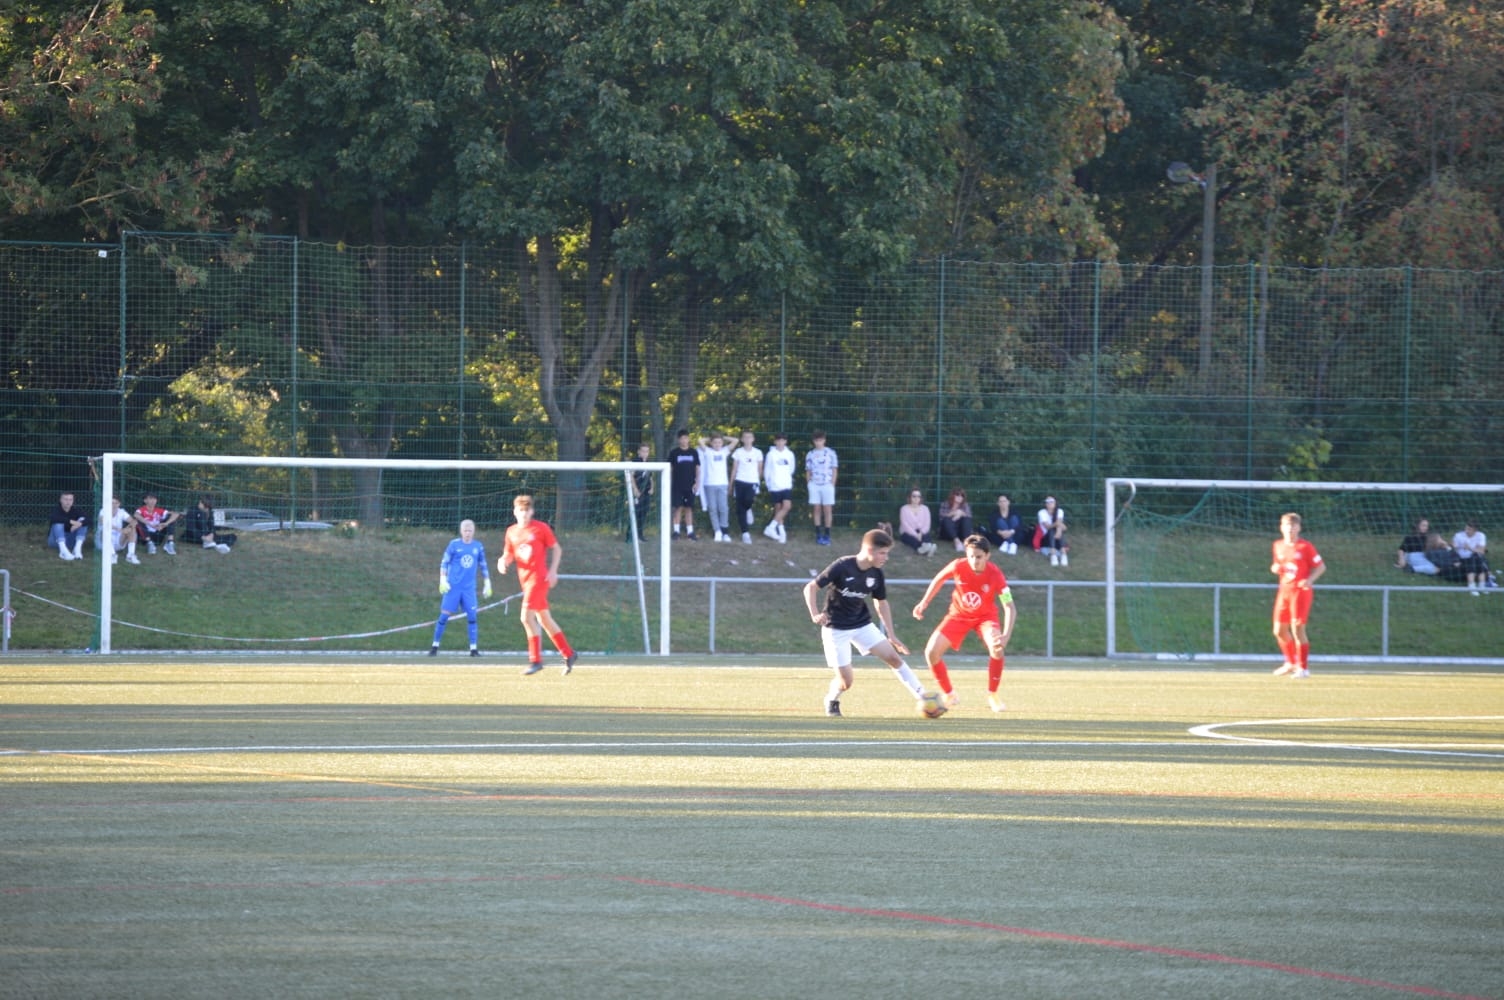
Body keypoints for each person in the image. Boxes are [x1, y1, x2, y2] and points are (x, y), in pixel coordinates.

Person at [802, 528, 938, 717]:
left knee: (894, 658)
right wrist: (815, 613)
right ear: (869, 550)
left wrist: (891, 635)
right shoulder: (842, 566)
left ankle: (923, 698)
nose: (886, 558)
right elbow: (810, 587)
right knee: (846, 682)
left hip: (862, 625)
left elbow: (881, 603)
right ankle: (832, 698)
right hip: (836, 629)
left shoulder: (876, 573)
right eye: (882, 553)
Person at [912, 534, 1017, 713]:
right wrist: (924, 602)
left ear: (987, 555)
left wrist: (1006, 635)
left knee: (997, 648)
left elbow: (1010, 607)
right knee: (931, 652)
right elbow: (938, 579)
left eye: (979, 557)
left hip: (985, 618)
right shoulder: (958, 566)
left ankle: (993, 695)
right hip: (958, 616)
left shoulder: (996, 574)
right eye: (971, 556)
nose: (974, 561)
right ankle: (950, 694)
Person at [499, 494, 578, 676]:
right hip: (525, 581)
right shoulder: (511, 531)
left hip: (539, 579)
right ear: (515, 512)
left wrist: (553, 571)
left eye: (527, 511)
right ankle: (569, 653)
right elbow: (508, 553)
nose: (524, 514)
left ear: (532, 512)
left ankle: (535, 660)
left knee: (526, 618)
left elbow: (556, 549)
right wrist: (503, 561)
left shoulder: (540, 528)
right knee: (544, 620)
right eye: (521, 510)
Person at [1271, 511, 1325, 678]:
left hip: (1300, 592)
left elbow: (1321, 567)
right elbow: (1277, 565)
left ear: (1299, 528)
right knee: (1279, 630)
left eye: (1293, 526)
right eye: (1287, 525)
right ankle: (1290, 663)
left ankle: (1303, 668)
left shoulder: (1305, 547)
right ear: (1281, 527)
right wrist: (1274, 568)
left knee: (1297, 629)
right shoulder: (1277, 545)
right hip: (1284, 592)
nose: (1290, 529)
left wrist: (1309, 580)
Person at [429, 518, 492, 656]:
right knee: (444, 616)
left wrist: (487, 583)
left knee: (472, 617)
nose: (468, 533)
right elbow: (444, 562)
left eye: (470, 530)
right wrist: (443, 579)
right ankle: (434, 647)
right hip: (453, 587)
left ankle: (473, 649)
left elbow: (483, 564)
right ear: (461, 531)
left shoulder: (478, 546)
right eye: (465, 530)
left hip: (469, 588)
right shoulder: (454, 545)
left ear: (473, 531)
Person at [804, 429, 838, 545]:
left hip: (827, 484)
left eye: (820, 440)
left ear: (824, 440)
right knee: (816, 508)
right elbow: (808, 470)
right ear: (813, 441)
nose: (818, 442)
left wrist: (832, 483)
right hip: (814, 485)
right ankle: (818, 533)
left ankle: (827, 534)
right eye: (816, 440)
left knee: (827, 509)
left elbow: (834, 469)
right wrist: (809, 483)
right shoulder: (810, 454)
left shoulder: (831, 453)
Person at [762, 432, 797, 543]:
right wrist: (769, 484)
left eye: (782, 440)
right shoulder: (771, 454)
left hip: (786, 485)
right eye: (778, 440)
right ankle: (782, 533)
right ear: (775, 442)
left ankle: (770, 527)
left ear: (785, 442)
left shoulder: (790, 454)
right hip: (774, 485)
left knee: (787, 506)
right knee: (778, 508)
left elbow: (791, 469)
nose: (780, 443)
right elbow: (767, 470)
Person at [665, 429, 700, 541]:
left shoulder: (693, 452)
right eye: (682, 438)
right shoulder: (674, 452)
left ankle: (690, 532)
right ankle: (676, 532)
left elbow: (697, 467)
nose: (684, 440)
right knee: (678, 507)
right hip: (677, 485)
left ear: (688, 439)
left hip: (690, 485)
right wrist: (668, 481)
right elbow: (669, 468)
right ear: (678, 440)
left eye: (686, 438)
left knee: (689, 508)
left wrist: (697, 482)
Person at [697, 432, 732, 541]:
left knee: (723, 508)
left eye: (719, 442)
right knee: (712, 508)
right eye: (715, 442)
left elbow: (735, 441)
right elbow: (700, 441)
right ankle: (717, 531)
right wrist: (711, 438)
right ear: (711, 443)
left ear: (722, 443)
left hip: (722, 483)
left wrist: (722, 437)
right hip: (709, 484)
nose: (717, 444)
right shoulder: (708, 451)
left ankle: (725, 531)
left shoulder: (724, 451)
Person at [730, 429, 764, 544]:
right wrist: (731, 484)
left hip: (752, 481)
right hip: (740, 480)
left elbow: (760, 469)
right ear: (742, 439)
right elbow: (734, 469)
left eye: (750, 437)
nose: (747, 439)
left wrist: (757, 482)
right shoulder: (738, 452)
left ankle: (749, 508)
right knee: (740, 508)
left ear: (753, 439)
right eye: (745, 437)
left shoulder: (758, 452)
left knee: (748, 500)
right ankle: (745, 533)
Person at [47, 492, 89, 561]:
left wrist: (79, 524)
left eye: (70, 499)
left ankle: (77, 549)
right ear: (61, 500)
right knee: (58, 524)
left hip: (71, 540)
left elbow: (89, 520)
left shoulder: (76, 510)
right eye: (66, 499)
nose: (68, 502)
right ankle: (63, 551)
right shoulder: (56, 510)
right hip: (55, 541)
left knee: (82, 521)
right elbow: (53, 518)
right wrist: (71, 522)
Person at [1452, 520, 1490, 596]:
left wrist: (1470, 548)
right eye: (1466, 528)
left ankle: (1481, 586)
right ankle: (1472, 586)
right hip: (1463, 558)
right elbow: (1453, 548)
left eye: (1469, 529)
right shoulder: (1458, 535)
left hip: (1476, 557)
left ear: (1475, 530)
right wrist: (1455, 546)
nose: (1466, 531)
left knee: (1476, 557)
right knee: (1474, 558)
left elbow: (1482, 551)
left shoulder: (1481, 535)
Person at [99, 497, 140, 565]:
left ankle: (130, 555)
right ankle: (112, 555)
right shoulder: (103, 511)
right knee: (104, 532)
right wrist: (120, 530)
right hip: (105, 543)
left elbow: (133, 521)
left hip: (119, 540)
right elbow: (104, 522)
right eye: (112, 503)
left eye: (116, 503)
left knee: (132, 529)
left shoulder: (121, 512)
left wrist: (129, 527)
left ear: (119, 504)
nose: (114, 505)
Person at [629, 442, 654, 539]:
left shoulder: (649, 463)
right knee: (635, 513)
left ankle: (640, 535)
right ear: (639, 451)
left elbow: (650, 477)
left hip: (646, 492)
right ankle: (630, 535)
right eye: (643, 451)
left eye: (647, 451)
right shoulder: (635, 461)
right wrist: (635, 489)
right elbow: (631, 476)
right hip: (637, 492)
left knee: (643, 513)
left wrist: (652, 487)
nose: (645, 453)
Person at [898, 489, 936, 555]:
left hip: (921, 531)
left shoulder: (925, 508)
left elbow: (927, 524)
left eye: (919, 496)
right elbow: (905, 525)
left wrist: (921, 533)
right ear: (910, 497)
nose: (916, 498)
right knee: (911, 538)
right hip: (907, 532)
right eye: (914, 496)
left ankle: (925, 548)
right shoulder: (904, 509)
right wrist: (916, 535)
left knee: (926, 536)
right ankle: (925, 548)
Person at [937, 488, 974, 552]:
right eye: (957, 495)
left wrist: (961, 513)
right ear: (952, 495)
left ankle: (965, 542)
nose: (960, 497)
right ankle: (957, 542)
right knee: (946, 519)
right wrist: (954, 513)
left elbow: (969, 516)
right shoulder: (945, 504)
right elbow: (941, 517)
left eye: (962, 495)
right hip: (947, 532)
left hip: (960, 532)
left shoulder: (965, 505)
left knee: (966, 519)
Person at [1035, 495, 1068, 566]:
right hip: (1046, 538)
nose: (1049, 503)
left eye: (1051, 501)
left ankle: (1063, 554)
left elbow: (1064, 527)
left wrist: (1059, 530)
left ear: (1055, 503)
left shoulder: (1060, 511)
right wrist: (1057, 525)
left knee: (1058, 530)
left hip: (1057, 537)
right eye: (1047, 502)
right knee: (1051, 530)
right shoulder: (1041, 512)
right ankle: (1053, 555)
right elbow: (1047, 527)